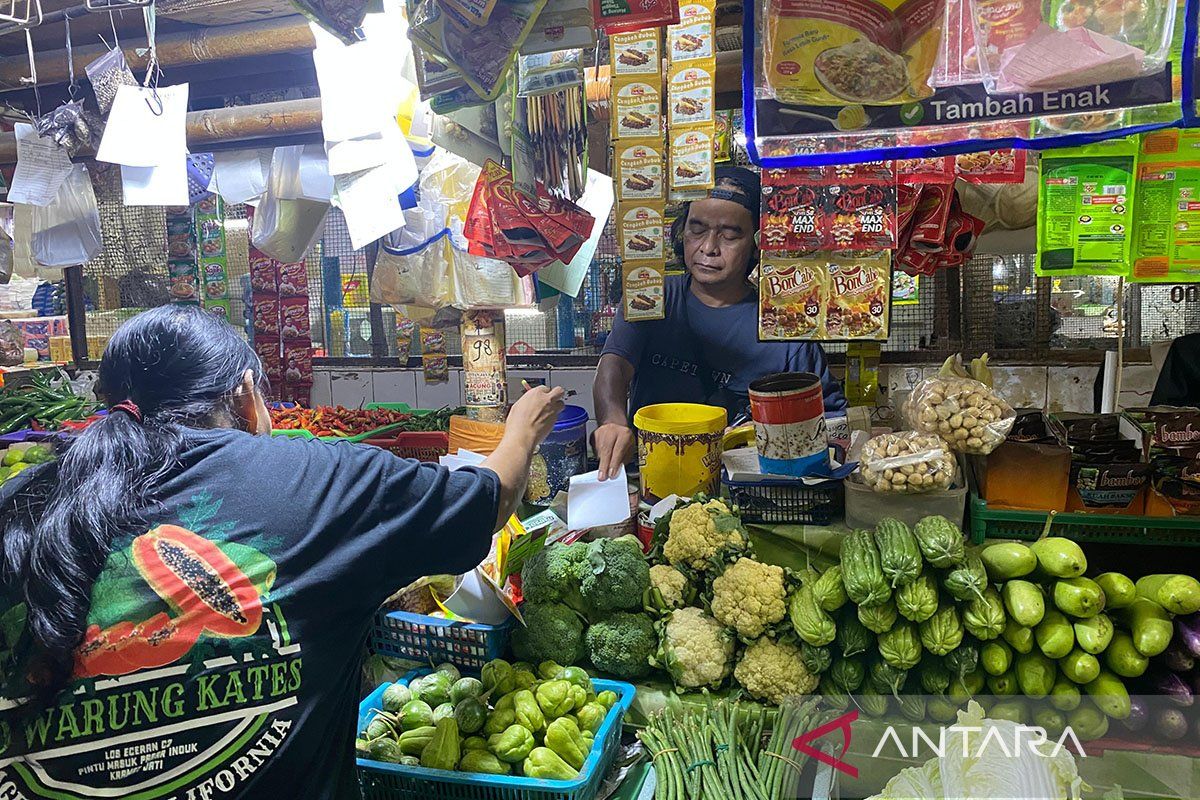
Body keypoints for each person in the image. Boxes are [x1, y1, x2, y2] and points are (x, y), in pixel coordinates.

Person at [0, 305, 564, 799]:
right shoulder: (317, 481)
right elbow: (487, 500)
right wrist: (520, 431)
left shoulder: (21, 502)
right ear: (245, 396)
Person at [593, 166, 847, 479]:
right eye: (697, 229)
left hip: (748, 492)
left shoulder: (783, 322)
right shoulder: (653, 298)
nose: (709, 248)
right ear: (680, 232)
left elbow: (833, 420)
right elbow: (614, 365)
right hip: (650, 484)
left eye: (729, 235)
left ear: (757, 243)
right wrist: (612, 419)